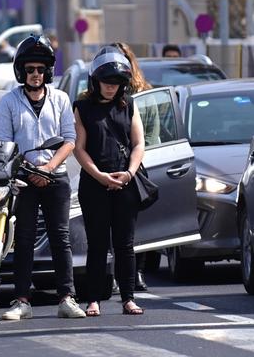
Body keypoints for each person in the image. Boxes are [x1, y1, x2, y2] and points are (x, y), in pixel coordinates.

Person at [0, 34, 86, 320]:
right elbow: (4, 143)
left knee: (61, 237)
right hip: (23, 179)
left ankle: (67, 298)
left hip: (55, 176)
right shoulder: (8, 102)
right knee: (23, 239)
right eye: (30, 69)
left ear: (48, 71)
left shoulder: (60, 99)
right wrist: (29, 171)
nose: (35, 75)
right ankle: (22, 300)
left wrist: (48, 169)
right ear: (21, 71)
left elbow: (69, 140)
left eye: (40, 69)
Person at [73, 46, 146, 317]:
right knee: (98, 243)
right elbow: (79, 148)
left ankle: (128, 298)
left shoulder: (129, 105)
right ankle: (93, 299)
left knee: (126, 244)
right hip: (94, 184)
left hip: (125, 182)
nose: (111, 88)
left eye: (116, 83)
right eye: (106, 82)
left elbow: (139, 143)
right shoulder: (82, 107)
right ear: (95, 81)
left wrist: (129, 172)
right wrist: (100, 176)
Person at [114, 42, 156, 292]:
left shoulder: (143, 93)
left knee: (136, 227)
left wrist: (136, 161)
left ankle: (136, 272)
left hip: (136, 166)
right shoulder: (98, 93)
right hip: (108, 167)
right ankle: (115, 276)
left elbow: (152, 136)